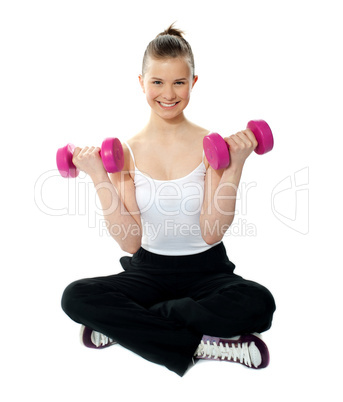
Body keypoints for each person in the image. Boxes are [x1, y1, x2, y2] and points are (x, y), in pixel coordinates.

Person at [61, 24, 276, 377]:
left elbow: (211, 232)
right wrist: (98, 175)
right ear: (141, 82)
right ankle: (199, 344)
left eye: (178, 82)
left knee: (259, 304)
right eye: (157, 82)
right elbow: (131, 242)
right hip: (148, 271)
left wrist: (236, 165)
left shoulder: (213, 147)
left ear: (192, 82)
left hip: (207, 271)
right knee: (75, 297)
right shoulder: (124, 153)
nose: (168, 94)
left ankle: (127, 327)